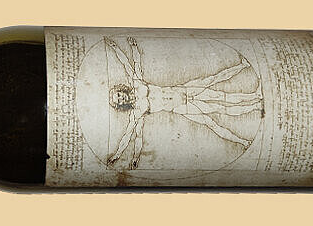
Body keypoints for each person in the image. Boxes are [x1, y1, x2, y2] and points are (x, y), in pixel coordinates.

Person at [104, 36, 263, 169]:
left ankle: (249, 82)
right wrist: (124, 156)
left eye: (119, 95)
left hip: (185, 90)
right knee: (216, 116)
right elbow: (132, 136)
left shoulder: (137, 83)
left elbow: (130, 64)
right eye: (119, 100)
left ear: (121, 90)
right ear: (121, 105)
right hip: (183, 108)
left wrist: (122, 47)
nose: (121, 98)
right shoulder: (136, 113)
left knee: (218, 87)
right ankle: (246, 132)